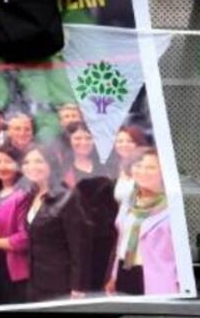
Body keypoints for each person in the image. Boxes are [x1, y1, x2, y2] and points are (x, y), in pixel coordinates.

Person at [105, 148, 179, 295]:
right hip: (124, 272)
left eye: (150, 167)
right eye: (138, 166)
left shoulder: (173, 207)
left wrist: (180, 287)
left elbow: (181, 255)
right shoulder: (128, 201)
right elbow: (122, 241)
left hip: (157, 281)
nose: (143, 171)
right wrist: (114, 275)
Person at [21, 144, 86, 301]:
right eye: (27, 162)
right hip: (35, 279)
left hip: (60, 282)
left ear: (51, 164)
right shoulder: (33, 194)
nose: (32, 167)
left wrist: (77, 286)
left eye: (39, 161)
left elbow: (79, 246)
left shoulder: (68, 197)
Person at [61, 121, 118, 293]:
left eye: (88, 138)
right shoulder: (63, 170)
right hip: (75, 240)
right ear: (69, 141)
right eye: (77, 138)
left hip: (104, 237)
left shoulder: (106, 166)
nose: (83, 142)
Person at [0, 144, 30, 304]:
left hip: (18, 264)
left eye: (8, 161)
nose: (2, 167)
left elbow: (24, 238)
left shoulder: (23, 194)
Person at [111, 126, 148, 203]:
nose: (124, 144)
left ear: (138, 143)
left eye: (130, 141)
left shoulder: (147, 166)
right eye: (120, 141)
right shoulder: (111, 169)